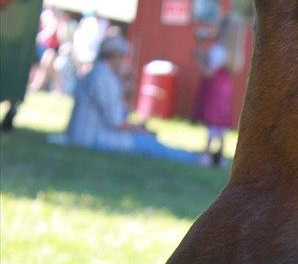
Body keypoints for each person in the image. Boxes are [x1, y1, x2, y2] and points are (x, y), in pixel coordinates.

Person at [61, 35, 203, 163]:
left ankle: (195, 157)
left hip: (83, 135)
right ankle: (197, 159)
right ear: (114, 56)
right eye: (123, 56)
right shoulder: (104, 79)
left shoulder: (96, 73)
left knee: (147, 140)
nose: (125, 60)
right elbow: (116, 122)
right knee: (148, 143)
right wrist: (142, 130)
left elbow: (120, 114)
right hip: (92, 138)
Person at [192, 16, 234, 164]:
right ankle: (220, 155)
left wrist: (199, 61)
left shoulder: (220, 50)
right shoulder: (226, 49)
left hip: (215, 88)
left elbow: (208, 72)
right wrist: (200, 44)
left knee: (213, 120)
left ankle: (207, 154)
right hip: (223, 88)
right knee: (219, 121)